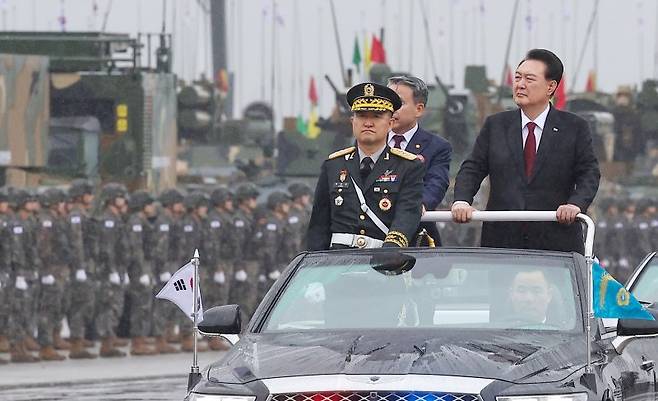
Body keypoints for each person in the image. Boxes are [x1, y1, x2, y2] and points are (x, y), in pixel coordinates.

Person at [452, 49, 600, 254]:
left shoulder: (574, 127)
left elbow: (588, 173)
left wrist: (575, 204)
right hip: (502, 241)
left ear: (551, 86)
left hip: (556, 242)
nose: (520, 84)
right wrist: (462, 201)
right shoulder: (496, 125)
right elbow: (473, 168)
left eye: (529, 79)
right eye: (518, 77)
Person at [307, 82, 424, 250]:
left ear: (390, 123)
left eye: (376, 116)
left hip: (383, 259)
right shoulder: (333, 165)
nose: (368, 123)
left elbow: (408, 212)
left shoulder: (408, 166)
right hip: (338, 261)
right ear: (352, 121)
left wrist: (391, 248)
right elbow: (319, 224)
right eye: (362, 116)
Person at [387, 75, 452, 245]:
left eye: (398, 103)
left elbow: (436, 183)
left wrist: (419, 205)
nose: (390, 109)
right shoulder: (369, 142)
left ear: (419, 109)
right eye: (387, 101)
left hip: (416, 233)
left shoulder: (437, 146)